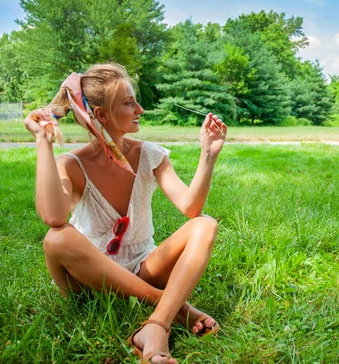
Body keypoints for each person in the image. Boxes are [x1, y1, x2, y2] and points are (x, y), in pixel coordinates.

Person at [24, 63, 227, 363]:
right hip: (89, 282)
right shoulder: (71, 165)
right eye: (129, 102)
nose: (140, 110)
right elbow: (53, 218)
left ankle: (156, 324)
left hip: (143, 265)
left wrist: (208, 155)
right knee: (57, 239)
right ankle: (170, 305)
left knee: (205, 225)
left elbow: (191, 208)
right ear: (102, 114)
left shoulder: (149, 155)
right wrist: (43, 141)